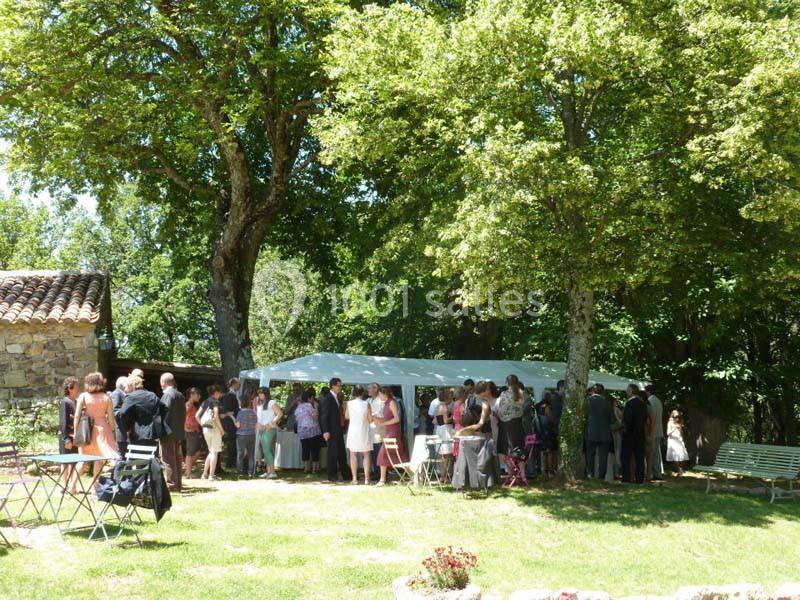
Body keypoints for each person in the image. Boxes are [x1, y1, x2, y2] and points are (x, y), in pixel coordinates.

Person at [73, 372, 119, 489]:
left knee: (82, 460)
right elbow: (111, 418)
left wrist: (75, 431)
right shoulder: (106, 397)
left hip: (86, 430)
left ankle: (72, 486)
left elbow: (77, 416)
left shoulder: (83, 396)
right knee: (99, 460)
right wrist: (112, 431)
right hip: (103, 429)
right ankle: (95, 488)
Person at [118, 374, 168, 450]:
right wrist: (157, 421)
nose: (126, 390)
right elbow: (165, 409)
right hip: (152, 433)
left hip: (136, 433)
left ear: (132, 385)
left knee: (136, 456)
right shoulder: (152, 395)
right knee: (150, 455)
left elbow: (122, 413)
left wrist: (126, 427)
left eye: (127, 387)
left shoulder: (131, 397)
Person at [496, 375, 527, 483]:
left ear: (507, 383)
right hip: (518, 425)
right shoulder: (521, 393)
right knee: (520, 450)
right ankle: (522, 475)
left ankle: (511, 475)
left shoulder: (504, 394)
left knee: (506, 451)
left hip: (506, 426)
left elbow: (500, 410)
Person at [374, 386, 407, 486]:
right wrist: (377, 419)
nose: (379, 396)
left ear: (385, 394)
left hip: (394, 432)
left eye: (380, 394)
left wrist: (383, 423)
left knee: (383, 453)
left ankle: (382, 480)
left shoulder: (392, 402)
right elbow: (387, 418)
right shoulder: (386, 403)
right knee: (396, 454)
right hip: (389, 431)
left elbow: (397, 419)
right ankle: (412, 474)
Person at [320, 378, 350, 482]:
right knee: (332, 454)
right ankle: (332, 475)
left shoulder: (336, 397)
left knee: (342, 453)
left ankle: (346, 475)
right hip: (331, 430)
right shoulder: (328, 398)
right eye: (339, 385)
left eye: (341, 385)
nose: (340, 387)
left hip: (338, 429)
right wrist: (325, 431)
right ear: (333, 386)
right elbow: (324, 416)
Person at [159, 372, 185, 492]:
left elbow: (164, 414)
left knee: (168, 459)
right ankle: (178, 484)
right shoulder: (180, 395)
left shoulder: (168, 395)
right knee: (177, 459)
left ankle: (171, 485)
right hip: (178, 432)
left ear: (163, 382)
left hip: (168, 432)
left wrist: (159, 430)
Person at [345, 385, 373, 484]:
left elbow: (346, 416)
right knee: (366, 454)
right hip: (364, 430)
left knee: (353, 455)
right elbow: (370, 419)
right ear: (362, 393)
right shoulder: (367, 404)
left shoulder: (349, 403)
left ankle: (354, 478)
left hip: (353, 430)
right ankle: (366, 478)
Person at [197, 384, 224, 480]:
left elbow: (197, 416)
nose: (220, 395)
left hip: (205, 429)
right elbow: (216, 416)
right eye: (219, 393)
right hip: (214, 429)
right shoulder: (215, 402)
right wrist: (221, 429)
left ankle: (205, 474)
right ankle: (211, 476)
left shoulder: (205, 401)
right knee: (215, 452)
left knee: (211, 452)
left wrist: (202, 425)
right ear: (216, 392)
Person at [586, 383, 613, 480]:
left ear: (593, 391)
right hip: (604, 432)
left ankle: (590, 475)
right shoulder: (607, 402)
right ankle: (601, 477)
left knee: (590, 455)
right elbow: (612, 419)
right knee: (603, 457)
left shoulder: (588, 401)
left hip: (591, 432)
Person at [622, 384, 648, 484]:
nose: (626, 392)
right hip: (640, 433)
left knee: (625, 457)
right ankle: (639, 479)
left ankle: (626, 478)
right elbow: (645, 418)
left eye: (628, 390)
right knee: (639, 458)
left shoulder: (629, 403)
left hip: (630, 434)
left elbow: (627, 419)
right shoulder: (643, 403)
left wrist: (625, 429)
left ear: (631, 391)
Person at [58, 376, 79, 490]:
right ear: (70, 388)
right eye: (76, 386)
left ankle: (71, 486)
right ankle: (64, 485)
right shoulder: (65, 402)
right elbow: (63, 422)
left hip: (74, 436)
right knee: (65, 462)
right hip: (66, 436)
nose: (78, 388)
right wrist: (66, 439)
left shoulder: (76, 401)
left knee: (73, 462)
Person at [256, 387, 282, 479]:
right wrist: (259, 425)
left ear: (266, 394)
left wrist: (270, 424)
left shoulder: (271, 402)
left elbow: (279, 414)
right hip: (261, 429)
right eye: (259, 393)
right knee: (265, 450)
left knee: (267, 450)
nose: (259, 395)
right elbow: (259, 418)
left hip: (270, 429)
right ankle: (268, 471)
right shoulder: (260, 404)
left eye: (261, 393)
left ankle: (273, 472)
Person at [295, 387, 322, 474]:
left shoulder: (298, 407)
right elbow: (315, 417)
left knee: (305, 449)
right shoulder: (309, 406)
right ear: (309, 398)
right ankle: (314, 468)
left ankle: (306, 468)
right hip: (312, 431)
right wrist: (316, 407)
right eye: (312, 398)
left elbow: (297, 419)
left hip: (302, 431)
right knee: (314, 449)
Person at [435, 388, 455, 483]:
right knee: (446, 454)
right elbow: (446, 420)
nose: (451, 400)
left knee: (442, 454)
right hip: (445, 430)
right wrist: (453, 416)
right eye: (450, 398)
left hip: (440, 429)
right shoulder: (443, 407)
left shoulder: (438, 406)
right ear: (447, 398)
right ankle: (445, 476)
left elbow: (435, 420)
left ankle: (442, 476)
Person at [220, 378, 241, 470]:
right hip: (231, 423)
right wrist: (234, 420)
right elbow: (229, 411)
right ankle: (230, 463)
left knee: (232, 443)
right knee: (231, 443)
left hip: (232, 422)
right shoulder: (229, 395)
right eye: (238, 384)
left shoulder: (233, 395)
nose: (239, 386)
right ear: (234, 384)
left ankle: (232, 462)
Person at [645, 384, 665, 481]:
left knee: (651, 453)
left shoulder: (650, 401)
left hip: (653, 431)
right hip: (658, 430)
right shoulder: (658, 401)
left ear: (648, 391)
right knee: (655, 453)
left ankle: (653, 473)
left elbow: (652, 417)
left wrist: (649, 432)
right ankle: (657, 473)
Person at [235, 394, 257, 477]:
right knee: (251, 455)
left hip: (241, 435)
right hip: (252, 435)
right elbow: (256, 424)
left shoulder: (240, 413)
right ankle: (251, 472)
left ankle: (240, 472)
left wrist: (232, 418)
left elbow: (237, 425)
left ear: (241, 403)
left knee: (240, 454)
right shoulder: (253, 412)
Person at [183, 387, 203, 479]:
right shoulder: (189, 404)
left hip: (194, 431)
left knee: (197, 451)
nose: (199, 396)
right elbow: (183, 415)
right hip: (190, 431)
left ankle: (187, 470)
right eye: (198, 394)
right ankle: (188, 474)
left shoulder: (191, 405)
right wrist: (185, 427)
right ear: (192, 395)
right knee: (190, 453)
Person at [367, 382, 384, 478]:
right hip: (370, 429)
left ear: (375, 389)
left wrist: (370, 415)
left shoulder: (380, 400)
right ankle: (375, 471)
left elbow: (379, 415)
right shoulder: (368, 400)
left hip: (378, 429)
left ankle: (380, 473)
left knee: (378, 451)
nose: (368, 390)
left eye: (370, 388)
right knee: (372, 451)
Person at [110, 376, 128, 458]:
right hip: (120, 429)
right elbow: (115, 411)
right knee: (121, 455)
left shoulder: (124, 393)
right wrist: (127, 412)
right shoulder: (116, 393)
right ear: (122, 384)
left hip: (125, 429)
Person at [666, 410, 689, 474]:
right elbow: (668, 433)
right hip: (673, 440)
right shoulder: (670, 423)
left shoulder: (680, 422)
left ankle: (680, 468)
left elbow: (680, 433)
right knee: (675, 456)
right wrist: (674, 428)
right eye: (675, 417)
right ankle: (679, 469)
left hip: (679, 440)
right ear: (672, 416)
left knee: (683, 455)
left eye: (678, 416)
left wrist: (680, 429)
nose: (677, 418)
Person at [452, 386, 467, 459]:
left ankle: (457, 463)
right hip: (462, 427)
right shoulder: (462, 405)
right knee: (462, 448)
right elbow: (463, 419)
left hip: (456, 427)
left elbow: (454, 418)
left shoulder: (455, 404)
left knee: (457, 447)